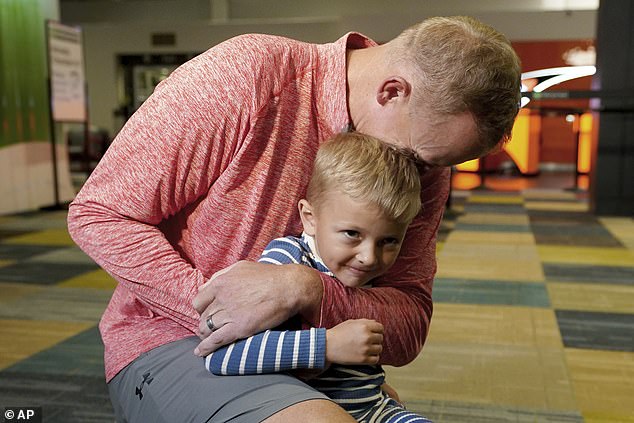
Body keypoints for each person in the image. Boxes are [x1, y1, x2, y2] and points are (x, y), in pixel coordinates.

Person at [67, 15, 521, 423]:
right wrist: (223, 312)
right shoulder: (249, 75)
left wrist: (302, 289)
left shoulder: (424, 159)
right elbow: (100, 213)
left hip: (326, 368)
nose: (423, 174)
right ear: (392, 91)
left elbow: (408, 326)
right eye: (418, 157)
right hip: (177, 340)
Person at [204, 132, 429, 422]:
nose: (369, 257)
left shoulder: (360, 270)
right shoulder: (288, 259)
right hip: (305, 409)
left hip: (376, 411)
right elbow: (223, 356)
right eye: (352, 234)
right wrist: (328, 346)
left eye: (389, 241)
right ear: (309, 218)